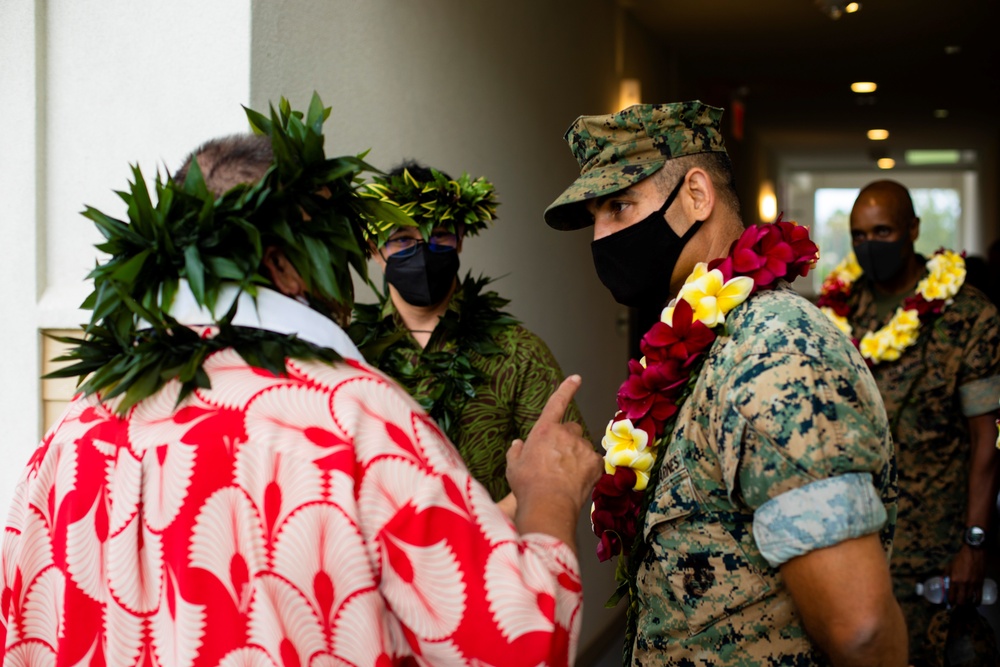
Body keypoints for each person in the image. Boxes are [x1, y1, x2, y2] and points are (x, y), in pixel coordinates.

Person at [0, 98, 603, 667]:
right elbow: (519, 638)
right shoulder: (351, 416)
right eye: (333, 248)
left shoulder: (77, 425)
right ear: (288, 263)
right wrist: (549, 493)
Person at [544, 101, 907, 664]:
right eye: (596, 216)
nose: (602, 235)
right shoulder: (700, 343)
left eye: (620, 206)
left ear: (696, 195)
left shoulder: (774, 347)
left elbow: (859, 629)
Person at [819, 179, 1000, 665]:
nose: (868, 245)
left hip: (935, 544)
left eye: (882, 231)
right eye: (859, 235)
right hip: (852, 539)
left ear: (913, 229)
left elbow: (988, 440)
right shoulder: (833, 315)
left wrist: (974, 543)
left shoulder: (967, 315)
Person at [350, 161, 588, 502]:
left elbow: (569, 463)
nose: (422, 252)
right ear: (375, 250)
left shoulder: (518, 352)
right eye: (402, 239)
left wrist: (486, 527)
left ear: (460, 238)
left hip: (493, 549)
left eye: (439, 235)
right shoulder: (348, 353)